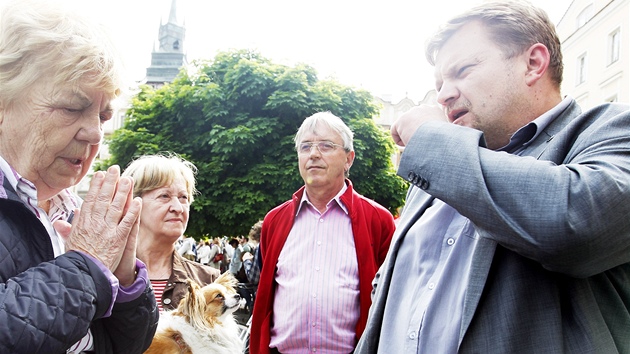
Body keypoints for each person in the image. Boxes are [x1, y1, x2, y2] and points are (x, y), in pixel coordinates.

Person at [355, 1, 630, 353]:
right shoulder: (433, 176)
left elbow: (574, 223)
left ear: (533, 64)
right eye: (439, 83)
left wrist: (434, 140)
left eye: (462, 71)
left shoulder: (609, 130)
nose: (443, 95)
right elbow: (392, 287)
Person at [0, 0, 158, 352]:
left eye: (102, 116)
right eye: (72, 107)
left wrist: (124, 279)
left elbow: (123, 346)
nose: (95, 134)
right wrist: (87, 266)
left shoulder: (71, 209)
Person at [250, 112, 396, 354]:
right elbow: (266, 296)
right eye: (305, 147)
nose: (314, 154)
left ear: (349, 158)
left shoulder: (378, 220)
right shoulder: (275, 220)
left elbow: (390, 300)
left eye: (326, 146)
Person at [122, 154, 220, 312]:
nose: (178, 207)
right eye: (164, 196)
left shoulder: (208, 281)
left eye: (183, 198)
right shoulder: (106, 276)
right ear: (133, 202)